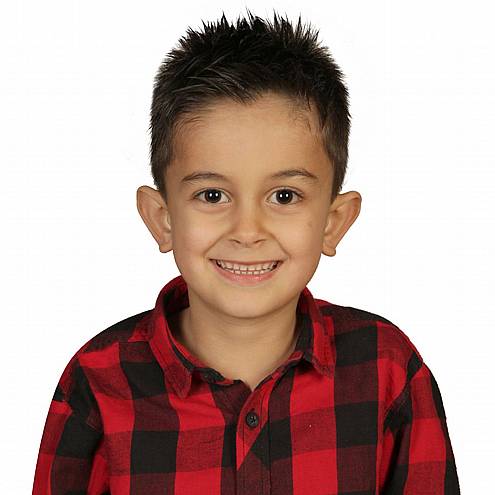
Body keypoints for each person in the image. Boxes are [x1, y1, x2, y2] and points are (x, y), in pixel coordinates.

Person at [32, 9, 461, 494]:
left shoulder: (387, 370)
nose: (248, 231)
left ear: (334, 222)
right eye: (213, 195)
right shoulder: (99, 381)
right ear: (162, 217)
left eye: (285, 196)